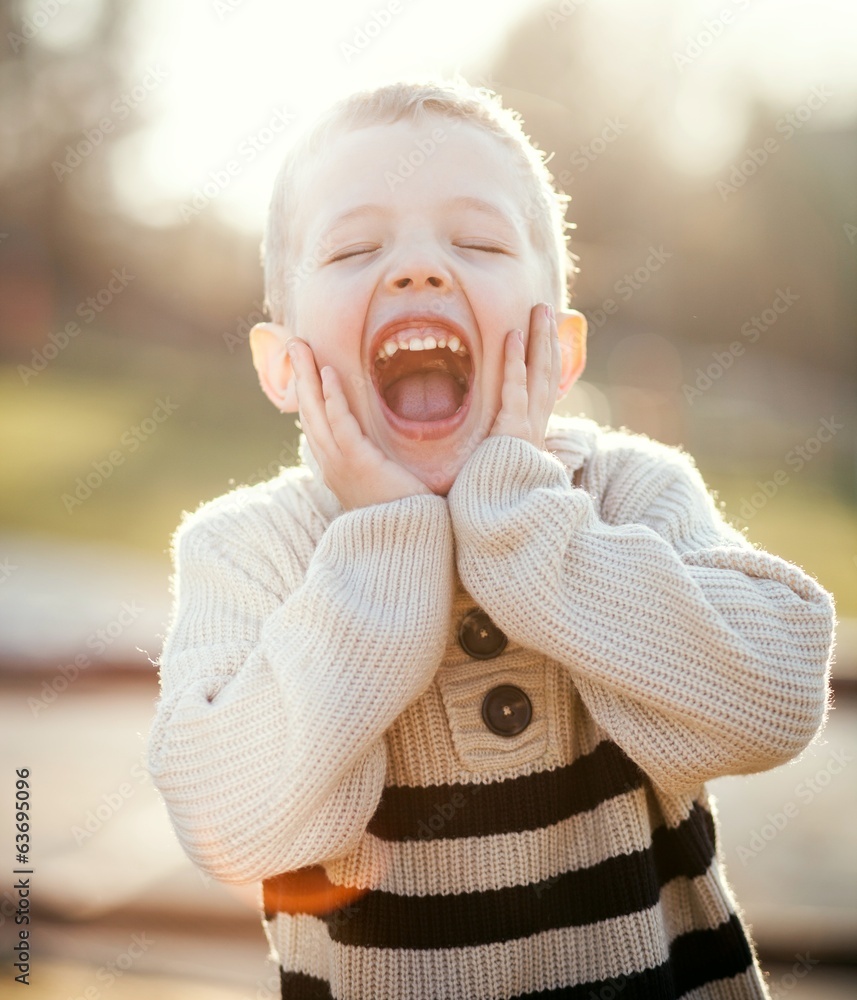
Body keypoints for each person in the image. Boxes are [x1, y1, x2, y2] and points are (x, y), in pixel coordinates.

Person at [146, 78, 836, 999]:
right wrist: (383, 553)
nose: (418, 269)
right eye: (354, 248)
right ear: (283, 367)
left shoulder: (625, 493)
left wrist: (526, 529)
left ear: (560, 351)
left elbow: (776, 696)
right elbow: (229, 824)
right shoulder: (248, 552)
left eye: (475, 242)